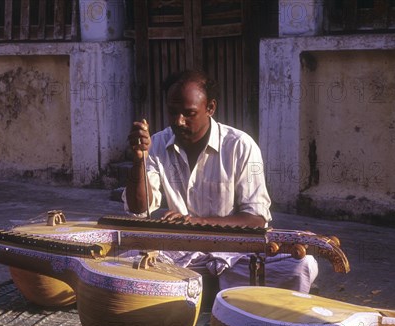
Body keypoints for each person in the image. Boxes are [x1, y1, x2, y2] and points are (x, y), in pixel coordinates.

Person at [122, 69, 318, 294]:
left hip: (233, 253)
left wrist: (195, 222)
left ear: (210, 108)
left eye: (189, 113)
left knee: (300, 264)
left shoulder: (240, 146)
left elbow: (256, 219)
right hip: (177, 252)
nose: (179, 121)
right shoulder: (156, 144)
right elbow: (139, 209)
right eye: (172, 112)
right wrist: (139, 159)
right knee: (120, 257)